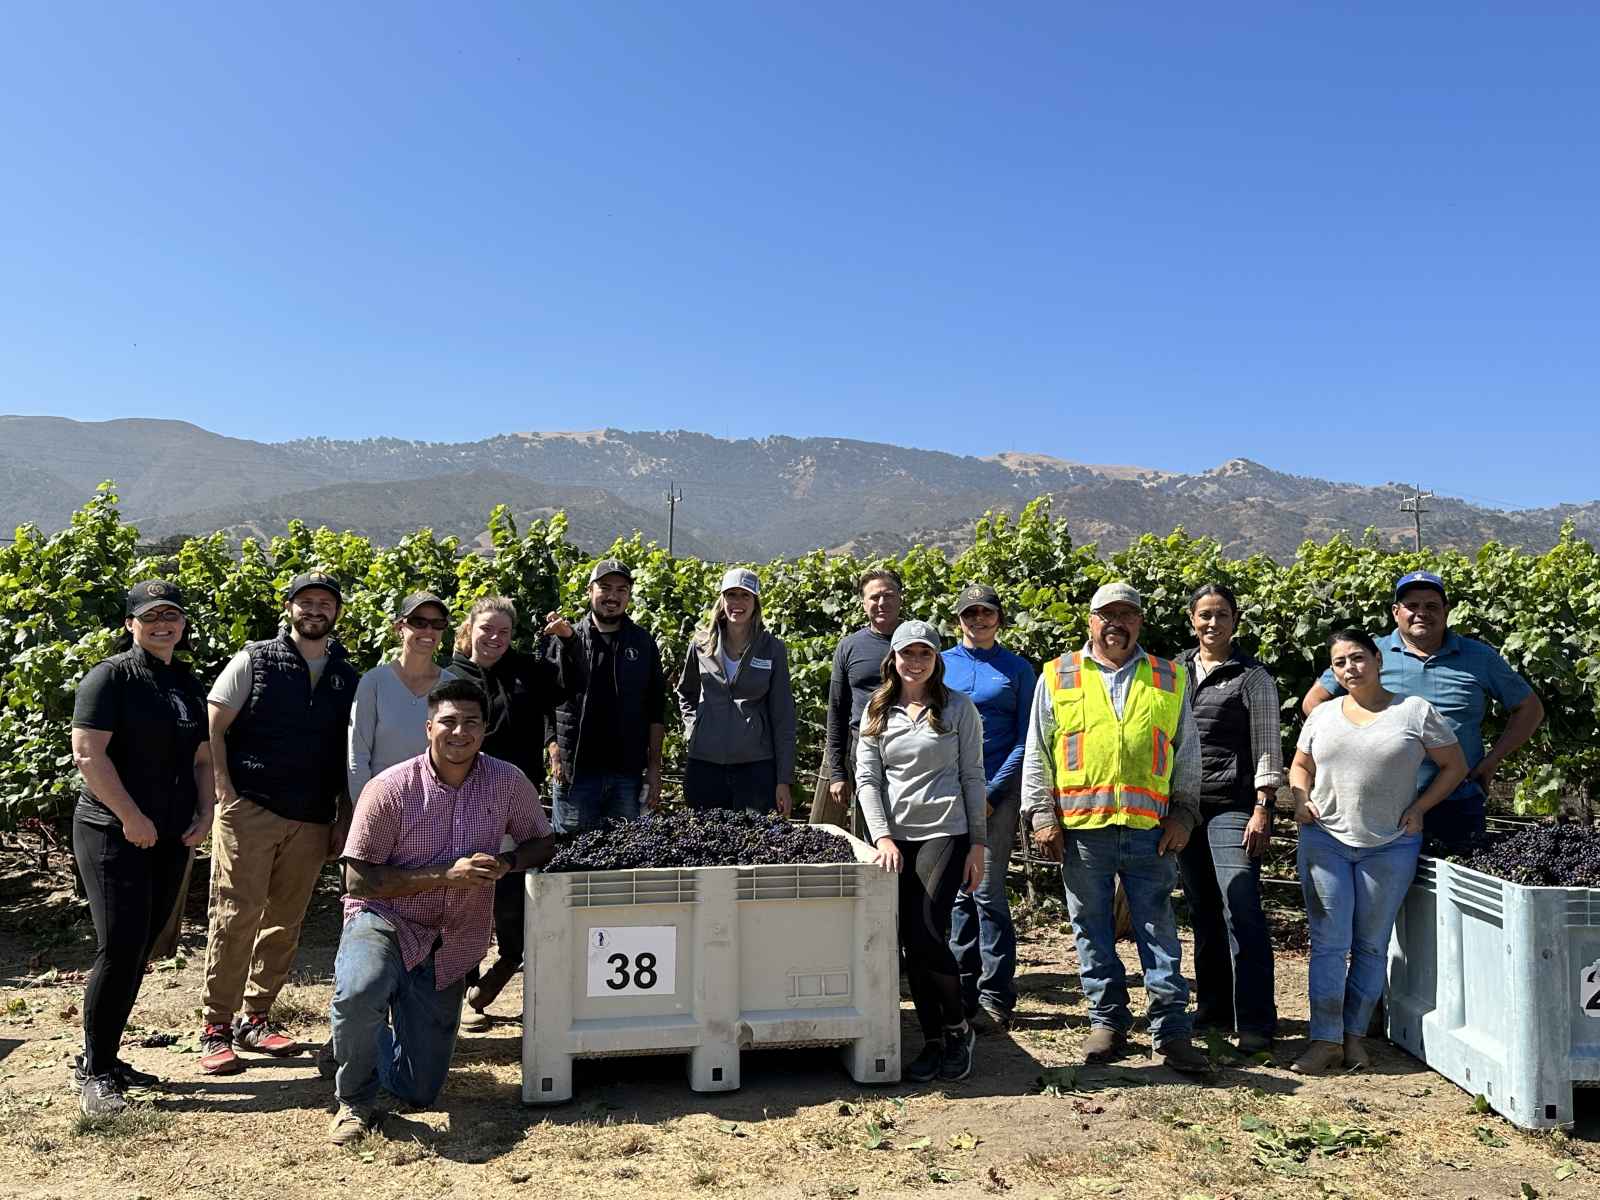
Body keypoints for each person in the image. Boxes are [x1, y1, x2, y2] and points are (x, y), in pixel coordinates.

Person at [326, 678, 556, 1145]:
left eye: (471, 722)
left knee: (420, 1089)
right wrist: (441, 876)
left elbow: (543, 841)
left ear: (485, 730)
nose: (459, 732)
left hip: (453, 938)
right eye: (448, 721)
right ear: (428, 727)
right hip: (385, 918)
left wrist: (509, 862)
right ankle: (354, 1100)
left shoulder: (506, 782)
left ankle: (358, 1040)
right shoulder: (388, 789)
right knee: (360, 991)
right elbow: (356, 879)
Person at [1022, 582, 1211, 1076]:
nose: (1116, 624)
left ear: (1139, 623)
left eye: (1126, 615)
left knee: (1159, 930)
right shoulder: (1058, 675)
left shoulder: (1169, 676)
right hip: (1083, 830)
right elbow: (1038, 753)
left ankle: (1170, 1031)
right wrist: (1042, 815)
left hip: (1151, 829)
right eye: (1107, 615)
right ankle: (1106, 1022)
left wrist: (1184, 813)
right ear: (1091, 621)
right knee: (1092, 929)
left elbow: (1186, 752)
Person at [199, 571, 359, 1075]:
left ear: (336, 613)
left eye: (325, 603)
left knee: (285, 920)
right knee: (236, 915)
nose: (315, 610)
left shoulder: (346, 676)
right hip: (253, 808)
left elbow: (347, 754)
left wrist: (342, 816)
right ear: (289, 607)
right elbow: (213, 725)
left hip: (312, 817)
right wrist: (225, 790)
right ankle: (214, 1026)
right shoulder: (254, 660)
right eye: (306, 601)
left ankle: (257, 1017)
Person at [1288, 628, 1467, 1075]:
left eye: (1358, 658)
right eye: (1340, 663)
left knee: (1371, 945)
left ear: (1378, 660)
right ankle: (1324, 1039)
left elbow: (1454, 765)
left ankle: (1354, 1038)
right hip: (1325, 840)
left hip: (1390, 845)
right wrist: (1298, 798)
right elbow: (1300, 765)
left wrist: (1421, 808)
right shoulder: (1323, 715)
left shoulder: (1413, 712)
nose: (1350, 668)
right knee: (1329, 944)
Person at [69, 581, 214, 1115]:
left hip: (170, 834)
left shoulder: (183, 682)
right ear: (130, 622)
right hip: (113, 832)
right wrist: (131, 816)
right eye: (151, 615)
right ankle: (95, 1072)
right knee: (120, 946)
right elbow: (89, 755)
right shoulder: (110, 677)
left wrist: (206, 811)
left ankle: (105, 1056)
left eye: (172, 615)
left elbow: (201, 757)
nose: (163, 624)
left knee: (141, 947)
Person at [1301, 570, 1543, 848]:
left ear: (1446, 611)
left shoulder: (1479, 657)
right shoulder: (1370, 653)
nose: (1421, 613)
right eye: (1412, 606)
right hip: (1381, 807)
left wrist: (1493, 760)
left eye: (1431, 606)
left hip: (1458, 800)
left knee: (1458, 887)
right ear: (1396, 612)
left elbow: (1529, 708)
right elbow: (1314, 702)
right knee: (1389, 889)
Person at [855, 620, 988, 1084]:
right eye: (907, 654)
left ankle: (957, 1028)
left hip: (945, 832)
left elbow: (973, 777)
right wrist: (882, 837)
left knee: (929, 929)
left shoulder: (958, 709)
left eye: (924, 654)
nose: (915, 662)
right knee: (911, 940)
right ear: (892, 658)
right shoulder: (877, 711)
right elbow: (868, 781)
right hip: (897, 839)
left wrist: (978, 844)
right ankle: (933, 1040)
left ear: (937, 660)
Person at [448, 596, 573, 1018]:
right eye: (487, 629)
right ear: (471, 628)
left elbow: (570, 684)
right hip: (461, 800)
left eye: (503, 631)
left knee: (509, 891)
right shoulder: (450, 676)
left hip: (514, 800)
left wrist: (568, 643)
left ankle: (502, 968)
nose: (495, 638)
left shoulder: (525, 671)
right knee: (466, 894)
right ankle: (467, 989)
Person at [1173, 583, 1284, 1053]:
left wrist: (1263, 806)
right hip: (1184, 806)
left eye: (1221, 614)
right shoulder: (1175, 671)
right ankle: (1215, 1007)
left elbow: (1266, 745)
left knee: (1240, 904)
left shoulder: (1252, 677)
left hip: (1233, 805)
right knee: (1202, 909)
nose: (1212, 623)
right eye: (1204, 615)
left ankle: (1257, 1020)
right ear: (1192, 621)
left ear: (1235, 620)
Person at [941, 583, 1035, 1031]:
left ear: (999, 618)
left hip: (996, 797)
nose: (979, 620)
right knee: (959, 895)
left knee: (988, 892)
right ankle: (963, 989)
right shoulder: (941, 664)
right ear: (958, 619)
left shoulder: (1017, 670)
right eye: (970, 613)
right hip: (950, 795)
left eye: (987, 613)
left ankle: (997, 995)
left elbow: (1025, 737)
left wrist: (993, 795)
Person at [547, 559, 668, 834]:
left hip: (626, 775)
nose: (613, 596)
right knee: (570, 861)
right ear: (590, 590)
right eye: (605, 587)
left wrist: (654, 768)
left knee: (622, 864)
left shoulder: (642, 643)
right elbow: (547, 700)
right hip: (576, 774)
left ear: (628, 596)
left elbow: (655, 709)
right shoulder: (566, 637)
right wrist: (554, 750)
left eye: (621, 590)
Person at [677, 568, 797, 814]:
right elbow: (685, 692)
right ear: (722, 600)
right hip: (705, 764)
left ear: (756, 602)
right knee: (703, 842)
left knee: (752, 845)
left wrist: (783, 779)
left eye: (745, 596)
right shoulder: (700, 645)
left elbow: (783, 716)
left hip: (755, 767)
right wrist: (693, 728)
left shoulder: (772, 649)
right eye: (731, 595)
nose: (737, 603)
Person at [811, 568, 904, 830]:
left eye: (888, 595)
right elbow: (837, 711)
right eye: (874, 597)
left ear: (900, 598)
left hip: (912, 754)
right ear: (863, 603)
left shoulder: (918, 642)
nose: (882, 603)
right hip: (863, 756)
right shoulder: (849, 647)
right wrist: (838, 773)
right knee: (869, 831)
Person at [347, 593, 456, 803]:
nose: (428, 630)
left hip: (435, 809)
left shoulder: (452, 686)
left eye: (437, 624)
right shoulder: (374, 682)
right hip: (382, 805)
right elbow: (358, 757)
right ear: (399, 628)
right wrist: (364, 811)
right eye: (419, 622)